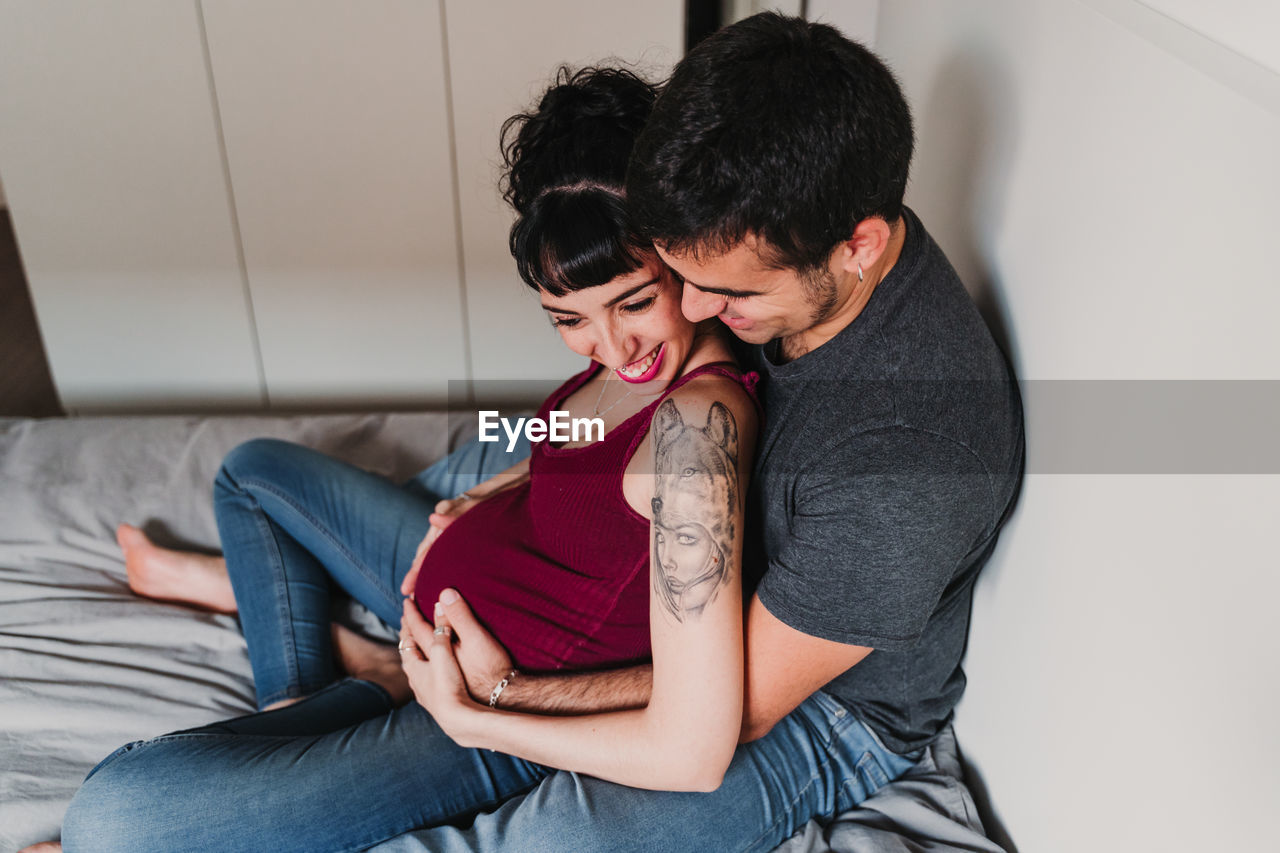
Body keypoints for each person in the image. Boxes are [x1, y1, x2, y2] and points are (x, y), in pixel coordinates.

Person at [359, 12, 1025, 853]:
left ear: (860, 245)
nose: (702, 313)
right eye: (680, 280)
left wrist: (502, 699)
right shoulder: (801, 229)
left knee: (542, 843)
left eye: (731, 295)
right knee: (455, 474)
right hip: (697, 605)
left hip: (823, 709)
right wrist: (535, 471)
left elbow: (723, 710)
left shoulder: (903, 462)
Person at [49, 67, 759, 853]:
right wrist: (496, 485)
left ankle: (363, 684)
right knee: (252, 472)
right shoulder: (637, 371)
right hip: (457, 587)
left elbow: (695, 737)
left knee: (108, 819)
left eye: (634, 301)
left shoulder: (701, 428)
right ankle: (315, 696)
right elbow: (599, 451)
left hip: (481, 707)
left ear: (682, 254)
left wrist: (486, 702)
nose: (613, 347)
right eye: (569, 318)